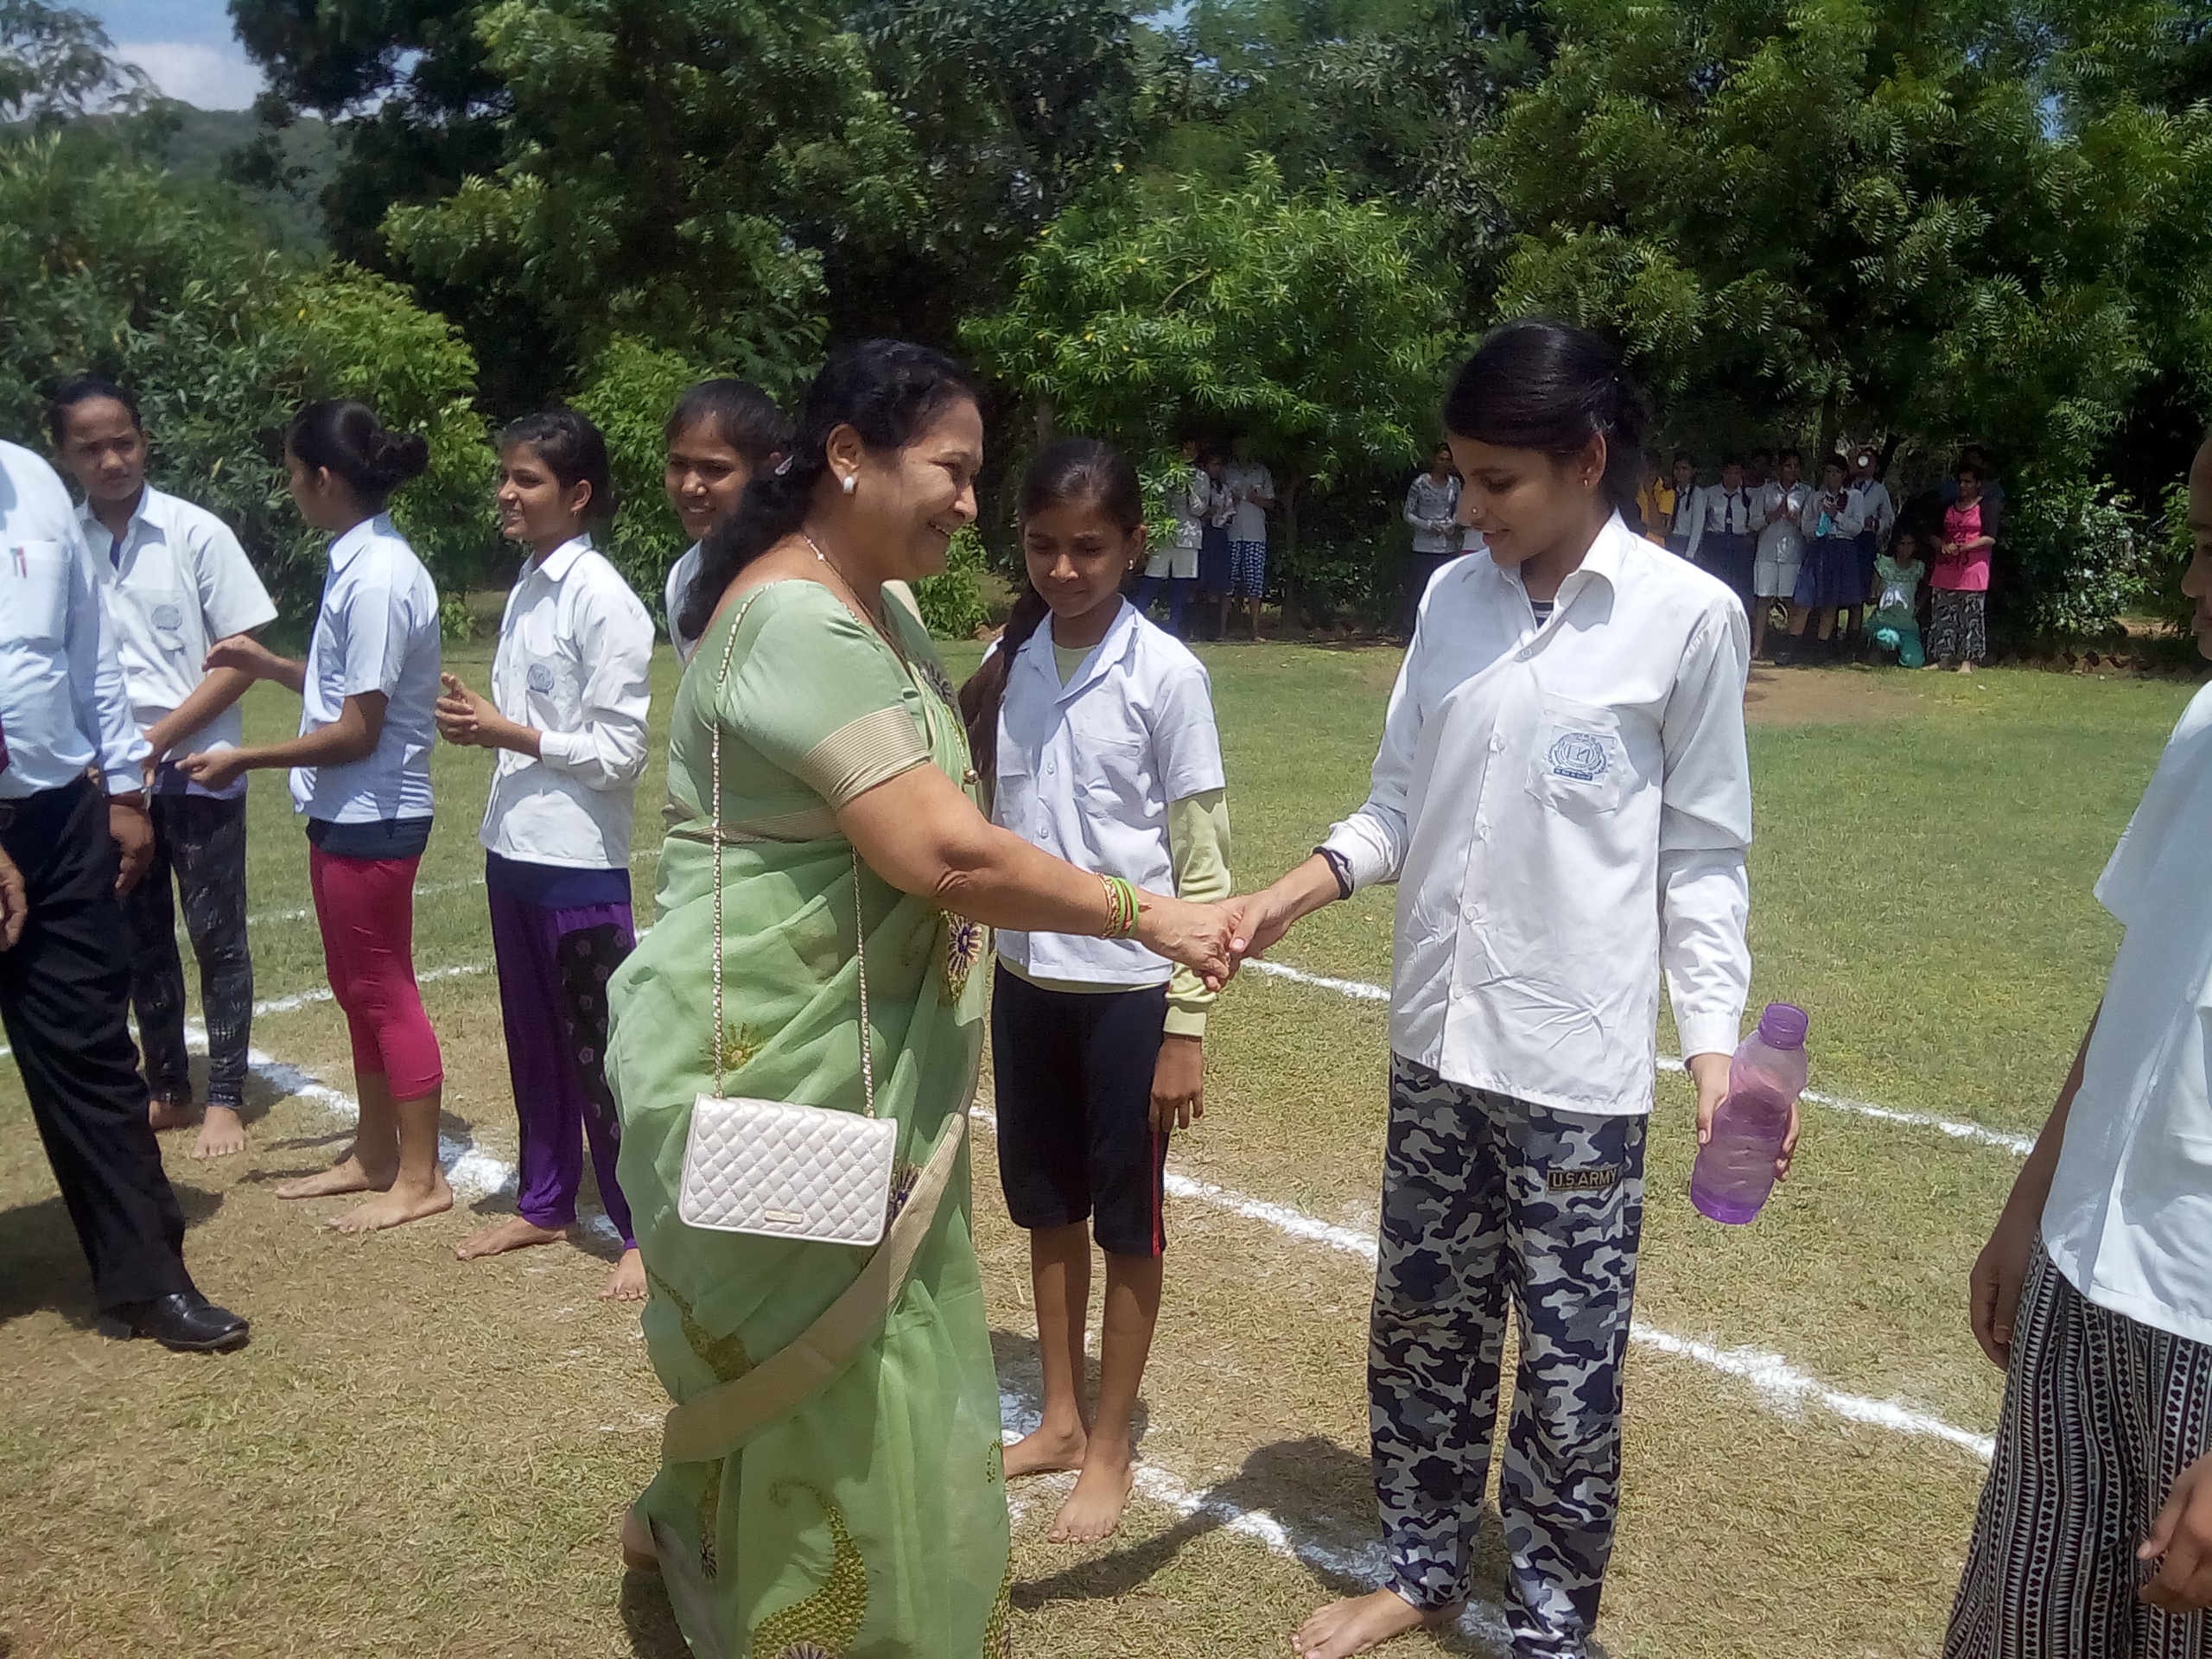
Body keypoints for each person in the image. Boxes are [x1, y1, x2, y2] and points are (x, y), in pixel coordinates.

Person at [605, 340, 1236, 1655]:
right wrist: (1150, 913)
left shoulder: (873, 606)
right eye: (952, 470)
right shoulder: (794, 621)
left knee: (862, 1334)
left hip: (854, 1055)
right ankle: (816, 1617)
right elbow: (943, 850)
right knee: (822, 1345)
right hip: (776, 1057)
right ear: (848, 456)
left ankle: (745, 1546)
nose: (968, 503)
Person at [1224, 320, 1770, 1659]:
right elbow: (1402, 803)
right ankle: (1418, 1569)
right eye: (1460, 477)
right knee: (1424, 1326)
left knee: (1572, 1375)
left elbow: (1703, 857)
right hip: (1436, 1045)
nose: (1470, 509)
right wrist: (1291, 890)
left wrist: (1714, 1055)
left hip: (1576, 1070)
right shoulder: (1454, 602)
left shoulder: (1686, 620)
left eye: (1498, 482)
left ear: (1589, 458)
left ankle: (1547, 1623)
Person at [1945, 433, 2212, 1656]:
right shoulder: (2205, 726)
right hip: (2085, 1269)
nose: (2193, 584)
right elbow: (2139, 990)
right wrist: (2030, 1202)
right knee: (2025, 1625)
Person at [958, 438, 1232, 1547]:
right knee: (1045, 1209)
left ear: (1133, 546)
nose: (1064, 570)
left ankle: (1110, 1445)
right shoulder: (1010, 657)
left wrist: (1186, 1026)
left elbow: (1201, 867)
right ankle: (1060, 1419)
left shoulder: (1166, 673)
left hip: (1127, 995)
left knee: (1127, 1225)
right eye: (1041, 548)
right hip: (1027, 983)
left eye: (1088, 549)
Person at [175, 401, 448, 1235]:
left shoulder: (380, 576)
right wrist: (267, 666)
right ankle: (374, 1154)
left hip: (376, 812)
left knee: (384, 990)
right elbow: (346, 693)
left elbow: (361, 732)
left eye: (294, 475)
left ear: (324, 478)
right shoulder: (357, 563)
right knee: (354, 986)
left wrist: (244, 758)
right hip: (343, 814)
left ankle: (421, 1176)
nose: (291, 490)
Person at [0, 437, 248, 1351]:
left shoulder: (28, 481)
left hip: (58, 808)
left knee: (93, 1044)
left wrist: (122, 791)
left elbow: (86, 656)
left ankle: (149, 1278)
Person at [435, 410, 654, 1300]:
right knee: (534, 1043)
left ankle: (643, 1225)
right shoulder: (528, 584)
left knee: (608, 1052)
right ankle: (547, 1198)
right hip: (513, 850)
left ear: (578, 494)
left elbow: (620, 752)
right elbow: (524, 722)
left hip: (578, 863)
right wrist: (481, 728)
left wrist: (510, 732)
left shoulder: (603, 598)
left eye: (525, 480)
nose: (506, 494)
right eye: (506, 476)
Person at [48, 378, 279, 1161]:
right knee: (139, 936)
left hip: (199, 768)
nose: (113, 459)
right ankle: (170, 1088)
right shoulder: (58, 546)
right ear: (64, 456)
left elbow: (242, 657)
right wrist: (113, 762)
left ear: (145, 441)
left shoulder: (194, 533)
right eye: (92, 448)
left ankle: (224, 1098)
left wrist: (155, 742)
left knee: (217, 937)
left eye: (125, 442)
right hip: (109, 782)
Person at [662, 380, 787, 666]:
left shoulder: (798, 574)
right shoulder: (684, 575)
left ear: (768, 469)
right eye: (678, 465)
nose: (690, 486)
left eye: (715, 469)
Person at [1778, 456, 1864, 662]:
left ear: (1844, 475)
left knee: (1831, 602)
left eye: (1836, 472)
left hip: (1842, 547)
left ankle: (1822, 651)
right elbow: (1805, 527)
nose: (1832, 476)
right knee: (1805, 599)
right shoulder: (1815, 497)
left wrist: (1836, 516)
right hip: (1819, 547)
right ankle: (1792, 648)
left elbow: (1856, 527)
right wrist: (1819, 522)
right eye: (1828, 472)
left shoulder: (1854, 497)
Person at [1929, 462, 1998, 673]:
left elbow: (1990, 537)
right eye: (1960, 481)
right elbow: (1933, 534)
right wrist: (1943, 546)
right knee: (1943, 613)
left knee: (1971, 615)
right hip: (1947, 566)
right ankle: (1943, 658)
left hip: (1973, 568)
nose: (1962, 486)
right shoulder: (1947, 507)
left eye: (1968, 482)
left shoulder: (1986, 506)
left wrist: (1966, 546)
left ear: (1978, 484)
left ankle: (1968, 661)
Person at [1134, 435, 1204, 636]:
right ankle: (1135, 622)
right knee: (1152, 576)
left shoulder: (1201, 477)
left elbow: (1199, 509)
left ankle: (1173, 627)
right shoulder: (1164, 474)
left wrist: (1189, 488)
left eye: (1193, 450)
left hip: (1188, 535)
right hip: (1164, 532)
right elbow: (1154, 502)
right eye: (1185, 449)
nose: (1188, 454)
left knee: (1181, 582)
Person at [1751, 448, 1809, 662]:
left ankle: (1788, 647)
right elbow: (1752, 522)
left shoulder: (1806, 492)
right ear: (1779, 468)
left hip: (1793, 552)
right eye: (1787, 465)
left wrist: (1798, 519)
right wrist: (1771, 516)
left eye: (1796, 466)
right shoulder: (1766, 491)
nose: (1792, 470)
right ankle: (1757, 648)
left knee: (1791, 600)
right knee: (1763, 600)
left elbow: (1812, 524)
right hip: (1767, 550)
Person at [1402, 442, 1463, 632]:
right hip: (1424, 546)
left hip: (1448, 545)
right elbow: (1408, 514)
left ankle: (1442, 629)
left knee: (1446, 588)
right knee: (1421, 588)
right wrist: (1428, 525)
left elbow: (1459, 509)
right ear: (1434, 459)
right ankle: (1415, 629)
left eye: (1448, 460)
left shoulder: (1455, 484)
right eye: (1441, 459)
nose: (1444, 463)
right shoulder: (1421, 483)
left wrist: (1453, 523)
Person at [1684, 453, 1756, 610]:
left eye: (1736, 473)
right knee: (1716, 586)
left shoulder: (1748, 495)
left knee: (1740, 589)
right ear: (1722, 473)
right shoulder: (1709, 494)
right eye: (1729, 472)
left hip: (1740, 545)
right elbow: (1701, 521)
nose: (1732, 477)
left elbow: (1754, 521)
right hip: (1716, 543)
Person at [1222, 435, 1275, 640]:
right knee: (1227, 583)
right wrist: (1231, 501)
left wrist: (1255, 499)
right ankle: (1222, 631)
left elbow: (1271, 503)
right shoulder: (1228, 471)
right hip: (1232, 533)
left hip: (1255, 534)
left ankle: (1255, 631)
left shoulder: (1261, 472)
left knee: (1255, 583)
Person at [1845, 447, 1895, 652]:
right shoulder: (1847, 484)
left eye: (1869, 461)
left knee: (1859, 591)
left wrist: (1876, 524)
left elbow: (1889, 517)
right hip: (1845, 538)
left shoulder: (1879, 490)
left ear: (1876, 466)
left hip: (1865, 540)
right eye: (1861, 460)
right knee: (1842, 586)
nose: (1864, 465)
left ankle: (1852, 640)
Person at [1866, 526, 1928, 668]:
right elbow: (1872, 596)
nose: (1905, 549)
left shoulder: (1918, 567)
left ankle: (1900, 653)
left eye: (1910, 544)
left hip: (1907, 623)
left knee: (1915, 662)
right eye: (1902, 544)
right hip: (1885, 621)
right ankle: (1877, 648)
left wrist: (1918, 606)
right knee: (1888, 639)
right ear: (1895, 545)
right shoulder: (1883, 564)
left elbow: (1927, 588)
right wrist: (1880, 597)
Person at [1195, 446, 1235, 634]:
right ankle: (1190, 627)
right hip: (1200, 534)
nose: (1216, 468)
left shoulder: (1223, 489)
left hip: (1217, 535)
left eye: (1219, 465)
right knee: (1195, 582)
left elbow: (1230, 511)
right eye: (1213, 464)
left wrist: (1221, 516)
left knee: (1215, 583)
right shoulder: (1195, 485)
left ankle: (1212, 631)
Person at [1662, 451, 1700, 558]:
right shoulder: (1671, 492)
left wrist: (1690, 554)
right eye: (1677, 469)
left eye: (1685, 469)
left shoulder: (1697, 494)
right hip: (1670, 539)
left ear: (1693, 471)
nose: (1680, 472)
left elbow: (1697, 526)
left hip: (1686, 541)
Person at [1633, 447, 1672, 547]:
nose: (1649, 472)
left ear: (1659, 470)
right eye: (1646, 468)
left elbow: (1659, 526)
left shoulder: (1667, 491)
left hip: (1655, 545)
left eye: (1653, 468)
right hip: (1635, 542)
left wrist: (1650, 493)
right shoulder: (1635, 488)